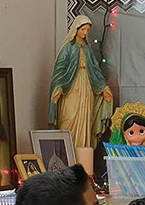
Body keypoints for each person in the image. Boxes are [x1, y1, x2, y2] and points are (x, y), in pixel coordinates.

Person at [48, 14, 113, 149]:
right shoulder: (67, 48)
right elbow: (60, 69)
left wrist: (103, 88)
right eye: (83, 29)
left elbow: (95, 69)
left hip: (86, 86)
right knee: (69, 117)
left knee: (85, 120)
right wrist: (59, 86)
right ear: (76, 29)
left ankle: (82, 152)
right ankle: (66, 151)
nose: (85, 33)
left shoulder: (88, 49)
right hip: (70, 87)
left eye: (87, 30)